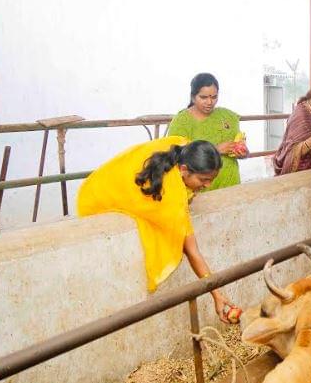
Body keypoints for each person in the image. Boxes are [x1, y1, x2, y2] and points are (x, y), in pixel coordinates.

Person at [78, 136, 237, 323]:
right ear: (184, 170)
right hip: (94, 198)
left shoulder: (181, 146)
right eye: (204, 179)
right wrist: (217, 295)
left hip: (100, 179)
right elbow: (192, 251)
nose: (208, 185)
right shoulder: (170, 196)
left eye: (211, 179)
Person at [168, 72, 247, 190]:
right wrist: (216, 150)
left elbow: (242, 147)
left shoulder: (227, 116)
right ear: (193, 97)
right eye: (203, 97)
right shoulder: (182, 122)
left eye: (214, 97)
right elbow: (177, 157)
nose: (210, 102)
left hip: (231, 185)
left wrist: (242, 152)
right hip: (200, 191)